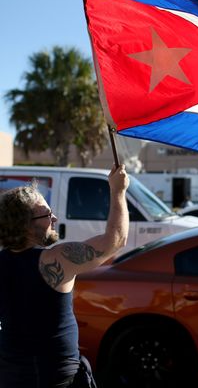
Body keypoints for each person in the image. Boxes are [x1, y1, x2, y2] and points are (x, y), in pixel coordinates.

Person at [0, 164, 129, 388]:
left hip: (11, 375)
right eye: (47, 214)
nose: (55, 218)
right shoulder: (55, 259)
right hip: (58, 378)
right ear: (26, 225)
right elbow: (115, 240)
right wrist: (118, 191)